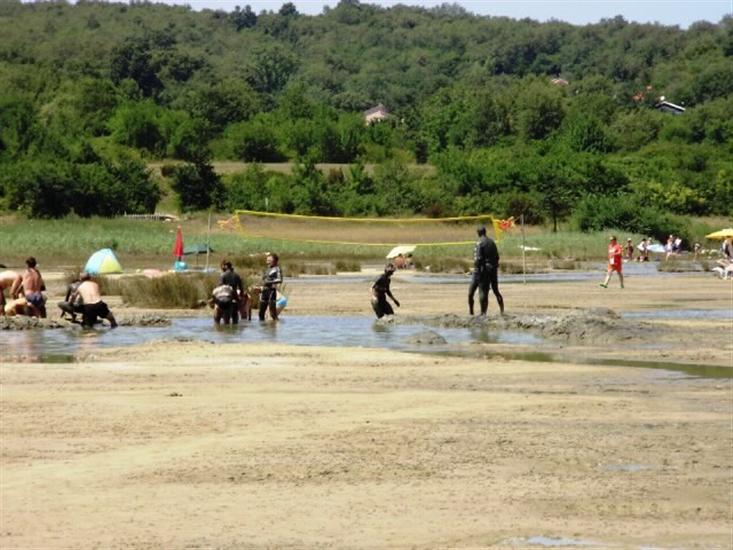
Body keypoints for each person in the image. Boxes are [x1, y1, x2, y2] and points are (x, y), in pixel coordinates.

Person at [468, 226, 504, 315]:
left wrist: (476, 270)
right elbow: (497, 257)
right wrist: (494, 266)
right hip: (493, 269)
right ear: (485, 232)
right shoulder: (492, 242)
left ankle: (478, 313)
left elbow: (478, 259)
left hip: (482, 270)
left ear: (478, 233)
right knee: (496, 291)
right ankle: (502, 311)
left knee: (478, 292)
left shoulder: (479, 243)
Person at [214, 260, 245, 325]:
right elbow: (241, 288)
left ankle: (218, 326)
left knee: (218, 317)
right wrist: (240, 299)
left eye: (222, 266)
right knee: (235, 319)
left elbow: (220, 287)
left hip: (224, 298)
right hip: (234, 297)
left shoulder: (223, 275)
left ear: (226, 266)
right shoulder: (236, 275)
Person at [259, 253, 283, 321]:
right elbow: (264, 280)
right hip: (264, 291)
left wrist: (269, 282)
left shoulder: (277, 269)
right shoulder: (267, 269)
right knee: (261, 313)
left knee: (272, 313)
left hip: (271, 291)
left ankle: (275, 328)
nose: (267, 262)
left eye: (269, 260)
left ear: (275, 261)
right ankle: (263, 328)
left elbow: (280, 279)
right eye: (267, 260)